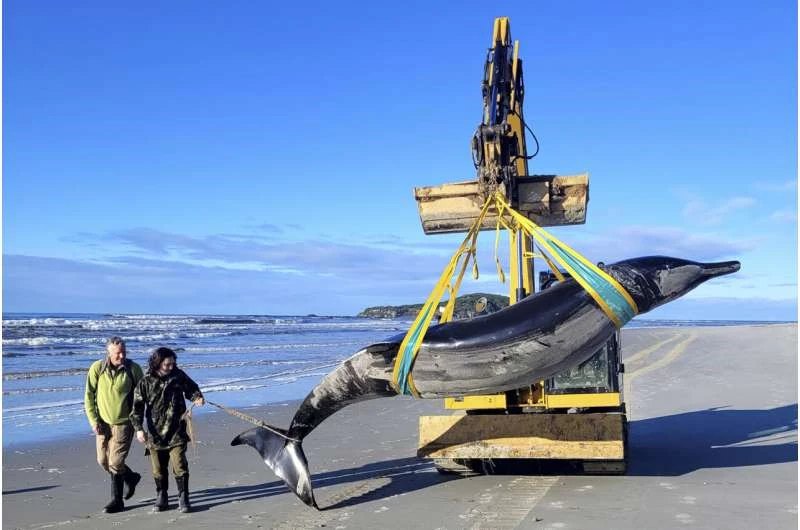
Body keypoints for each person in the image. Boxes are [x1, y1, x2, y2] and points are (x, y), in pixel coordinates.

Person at [131, 347, 205, 513]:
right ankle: (162, 496)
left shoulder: (178, 375)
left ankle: (183, 498)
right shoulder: (145, 382)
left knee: (179, 465)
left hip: (177, 430)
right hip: (155, 434)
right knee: (158, 468)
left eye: (173, 363)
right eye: (167, 364)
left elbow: (192, 388)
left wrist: (197, 397)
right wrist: (139, 429)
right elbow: (136, 408)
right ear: (157, 363)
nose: (171, 367)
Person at [84, 336, 144, 513]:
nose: (121, 355)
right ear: (108, 352)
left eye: (124, 352)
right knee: (103, 461)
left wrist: (139, 422)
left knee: (116, 462)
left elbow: (142, 396)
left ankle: (117, 501)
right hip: (102, 424)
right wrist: (93, 421)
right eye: (118, 353)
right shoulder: (97, 368)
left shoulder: (133, 369)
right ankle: (131, 477)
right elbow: (89, 396)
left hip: (124, 423)